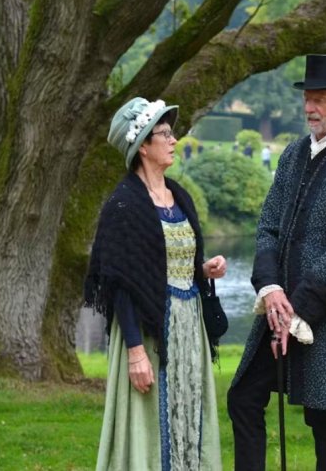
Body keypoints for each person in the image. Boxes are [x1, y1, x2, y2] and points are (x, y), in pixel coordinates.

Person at [227, 54, 326, 471]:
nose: (310, 108)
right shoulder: (293, 154)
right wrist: (271, 289)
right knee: (243, 397)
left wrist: (297, 315)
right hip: (279, 303)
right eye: (307, 99)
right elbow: (268, 227)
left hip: (325, 309)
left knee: (322, 415)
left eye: (320, 100)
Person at [84, 97, 227, 471]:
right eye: (165, 133)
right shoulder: (124, 204)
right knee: (151, 427)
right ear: (143, 146)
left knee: (189, 414)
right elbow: (120, 284)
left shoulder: (178, 195)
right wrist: (135, 352)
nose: (174, 140)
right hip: (149, 332)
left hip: (188, 331)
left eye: (172, 133)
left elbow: (171, 258)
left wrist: (202, 268)